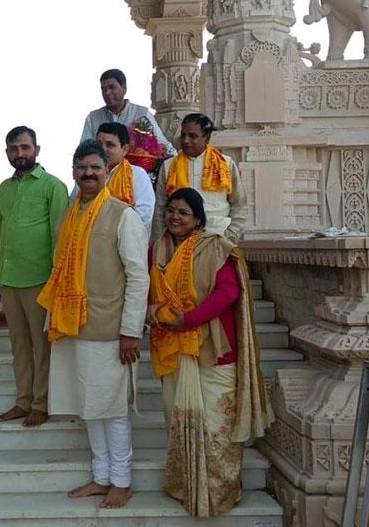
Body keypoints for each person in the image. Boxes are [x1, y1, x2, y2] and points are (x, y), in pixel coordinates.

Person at [147, 188, 272, 516]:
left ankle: (219, 493)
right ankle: (186, 487)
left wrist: (187, 319)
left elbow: (228, 292)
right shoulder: (156, 251)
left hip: (213, 347)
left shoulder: (214, 247)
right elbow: (147, 290)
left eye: (184, 212)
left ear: (198, 219)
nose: (175, 217)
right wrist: (152, 311)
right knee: (180, 420)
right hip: (172, 348)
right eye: (171, 210)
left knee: (217, 425)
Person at [41, 140, 149, 509]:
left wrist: (131, 331)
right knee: (90, 405)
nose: (88, 174)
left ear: (107, 171)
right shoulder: (70, 215)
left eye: (95, 168)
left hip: (109, 327)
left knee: (113, 408)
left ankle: (121, 480)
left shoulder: (123, 215)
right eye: (82, 168)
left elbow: (138, 276)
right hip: (72, 323)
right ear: (74, 172)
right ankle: (102, 477)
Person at [0, 126, 68, 427]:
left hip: (40, 280)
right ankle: (23, 401)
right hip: (10, 279)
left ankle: (41, 403)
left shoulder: (53, 186)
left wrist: (56, 280)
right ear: (7, 152)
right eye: (13, 148)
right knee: (19, 345)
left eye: (24, 147)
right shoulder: (4, 189)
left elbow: (58, 237)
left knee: (41, 346)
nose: (19, 154)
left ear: (37, 149)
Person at [152, 113, 247, 243]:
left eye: (192, 136)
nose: (185, 140)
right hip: (179, 240)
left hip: (218, 237)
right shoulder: (169, 166)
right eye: (183, 135)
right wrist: (160, 242)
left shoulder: (226, 164)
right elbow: (160, 208)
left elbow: (239, 204)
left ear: (207, 138)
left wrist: (231, 235)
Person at [81, 68, 176, 174]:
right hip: (102, 177)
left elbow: (164, 146)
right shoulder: (93, 118)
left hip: (135, 176)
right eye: (103, 89)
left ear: (124, 88)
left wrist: (176, 163)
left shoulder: (142, 114)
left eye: (112, 87)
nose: (107, 93)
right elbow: (84, 151)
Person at [82, 122, 155, 233]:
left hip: (124, 240)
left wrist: (107, 231)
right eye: (98, 144)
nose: (102, 149)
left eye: (110, 145)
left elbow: (143, 216)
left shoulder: (137, 175)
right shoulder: (87, 174)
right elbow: (77, 206)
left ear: (124, 149)